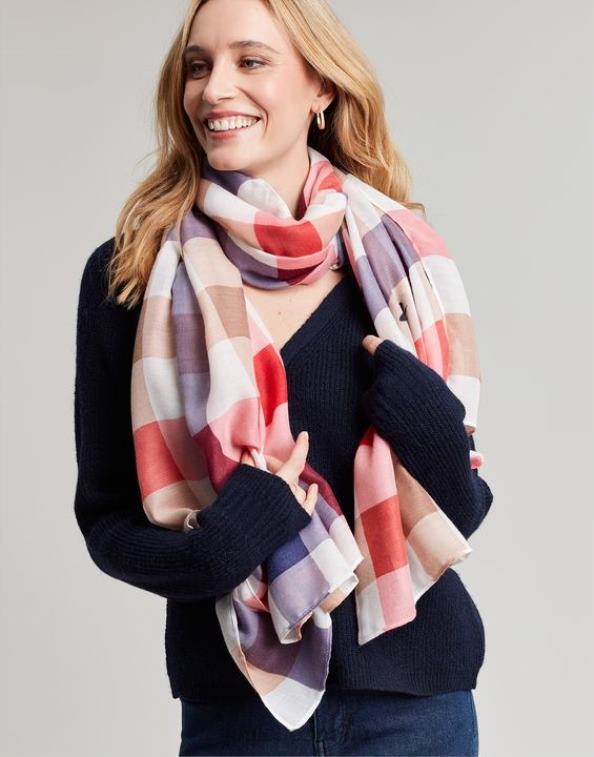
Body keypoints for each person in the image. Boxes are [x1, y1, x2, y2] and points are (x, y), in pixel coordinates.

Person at [73, 0, 494, 754]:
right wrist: (214, 549)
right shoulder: (131, 277)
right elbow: (104, 521)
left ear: (321, 86)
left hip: (416, 710)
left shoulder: (402, 264)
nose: (214, 89)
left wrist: (431, 428)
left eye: (250, 61)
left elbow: (461, 510)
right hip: (239, 714)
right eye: (198, 66)